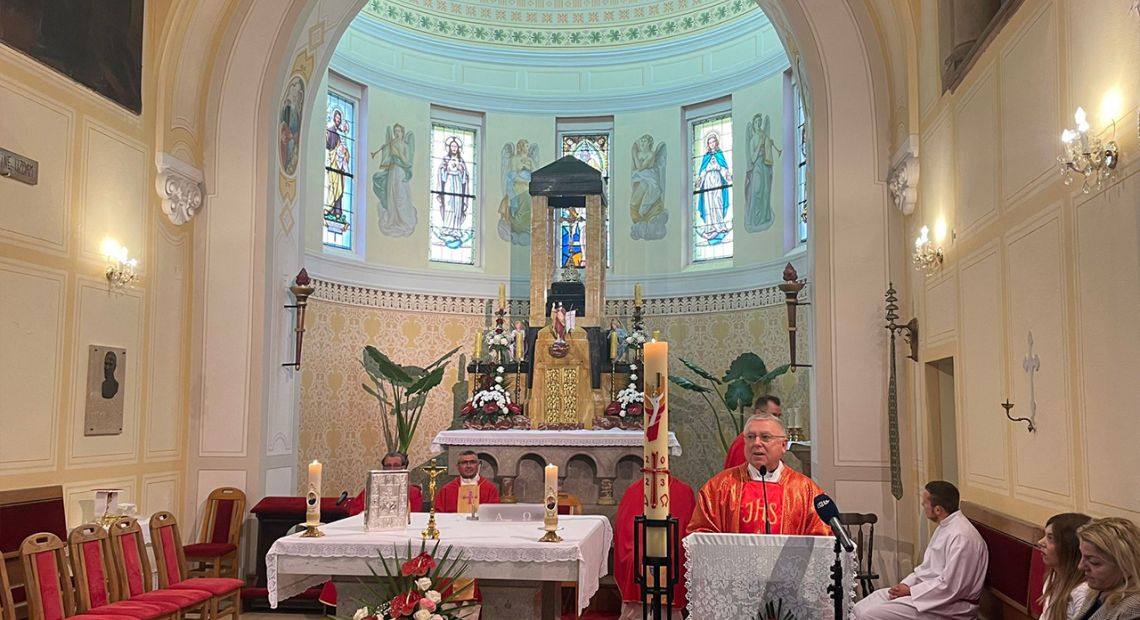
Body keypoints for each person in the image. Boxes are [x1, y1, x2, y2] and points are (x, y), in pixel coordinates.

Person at [853, 481, 987, 620]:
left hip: (949, 607)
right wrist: (905, 585)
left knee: (867, 615)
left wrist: (911, 591)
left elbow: (950, 587)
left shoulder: (962, 537)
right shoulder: (946, 526)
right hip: (928, 595)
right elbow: (927, 569)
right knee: (860, 608)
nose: (923, 505)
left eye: (925, 503)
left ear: (938, 510)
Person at [687, 412, 829, 535]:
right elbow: (700, 535)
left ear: (784, 445)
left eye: (765, 437)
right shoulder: (719, 487)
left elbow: (821, 538)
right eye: (750, 437)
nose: (756, 443)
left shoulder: (805, 491)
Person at [614, 476, 697, 620]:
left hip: (673, 546)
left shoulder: (683, 491)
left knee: (675, 558)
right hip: (640, 547)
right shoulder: (634, 490)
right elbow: (625, 530)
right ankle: (637, 614)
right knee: (636, 557)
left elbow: (687, 529)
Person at [1072, 517, 1140, 619]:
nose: (1080, 566)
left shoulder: (1134, 608)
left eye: (1094, 562)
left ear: (1126, 566)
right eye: (1082, 556)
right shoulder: (1097, 591)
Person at [1039, 513, 1093, 620]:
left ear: (1069, 547)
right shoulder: (1053, 577)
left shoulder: (1083, 593)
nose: (1040, 542)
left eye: (1050, 538)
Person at [372, 123, 417, 237]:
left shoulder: (405, 146)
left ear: (402, 133)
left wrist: (399, 153)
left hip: (400, 172)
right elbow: (387, 160)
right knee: (391, 195)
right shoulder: (392, 144)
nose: (397, 133)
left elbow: (407, 162)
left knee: (400, 196)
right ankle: (392, 219)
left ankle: (404, 220)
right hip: (392, 171)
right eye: (395, 131)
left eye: (398, 131)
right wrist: (386, 150)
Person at [723, 395, 781, 469]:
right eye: (773, 415)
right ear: (759, 414)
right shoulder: (746, 442)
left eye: (779, 416)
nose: (777, 420)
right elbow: (742, 474)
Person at [694, 131, 731, 244]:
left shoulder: (719, 155)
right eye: (710, 143)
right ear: (708, 144)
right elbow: (703, 170)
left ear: (716, 142)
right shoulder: (706, 157)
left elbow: (723, 168)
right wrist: (699, 179)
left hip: (717, 180)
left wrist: (727, 175)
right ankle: (710, 227)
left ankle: (719, 225)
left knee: (718, 202)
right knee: (708, 204)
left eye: (714, 142)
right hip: (708, 182)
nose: (712, 144)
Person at [433, 450, 500, 513]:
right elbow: (438, 515)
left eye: (472, 462)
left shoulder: (490, 489)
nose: (468, 466)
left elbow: (493, 514)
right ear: (457, 466)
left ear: (478, 465)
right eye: (464, 463)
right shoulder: (446, 490)